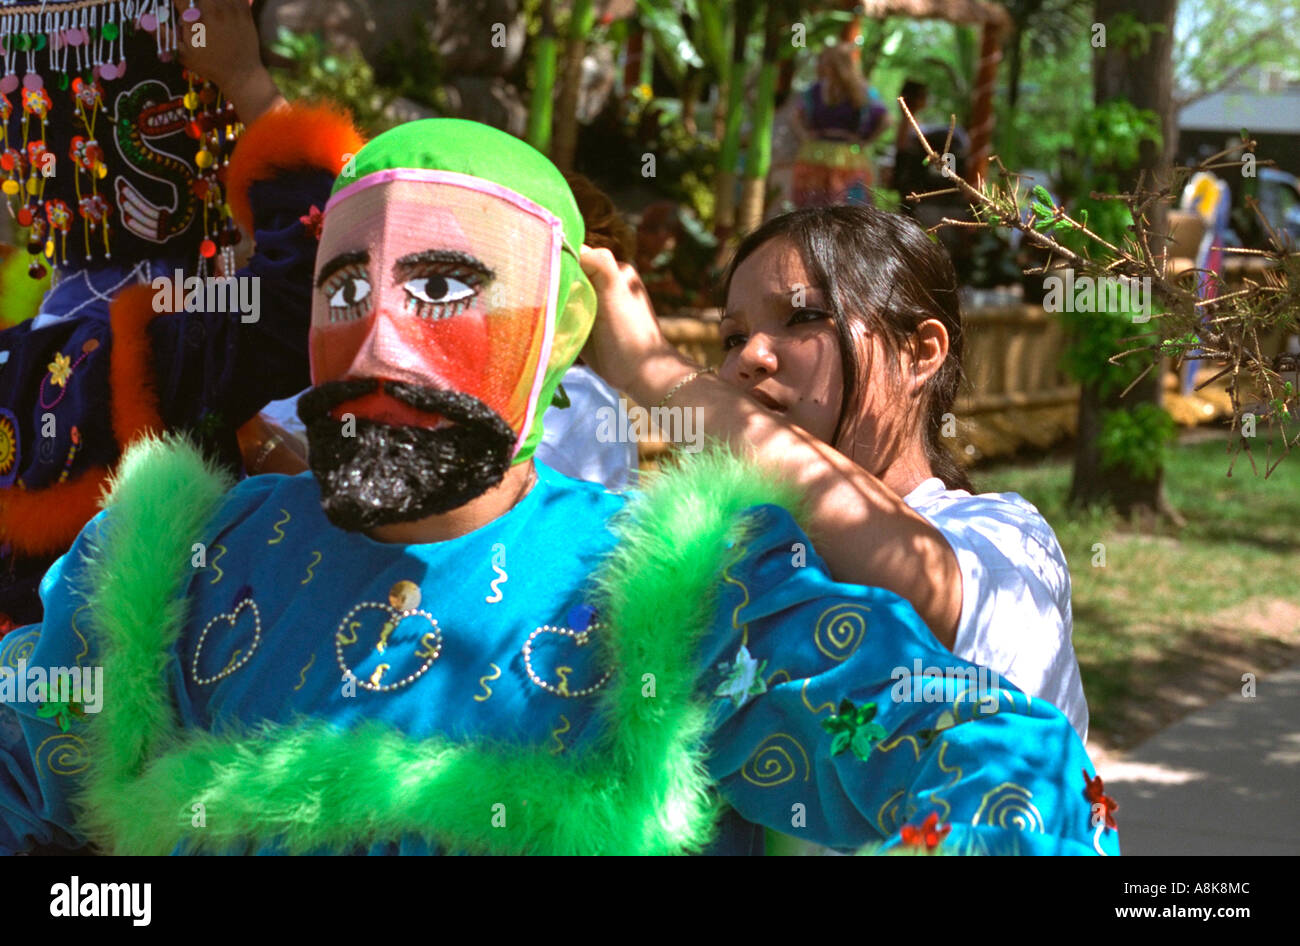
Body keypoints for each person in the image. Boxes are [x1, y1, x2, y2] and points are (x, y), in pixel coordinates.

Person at [0, 120, 1115, 855]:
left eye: (443, 285)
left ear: (554, 339)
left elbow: (1002, 777)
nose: (377, 336)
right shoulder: (171, 567)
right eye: (345, 284)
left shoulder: (682, 595)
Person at [581, 204, 1090, 742]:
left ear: (919, 352)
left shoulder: (1010, 543)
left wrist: (655, 371)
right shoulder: (726, 561)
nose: (749, 357)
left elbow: (922, 591)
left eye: (801, 318)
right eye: (733, 337)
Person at [0, 0, 362, 631]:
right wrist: (248, 82)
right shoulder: (161, 352)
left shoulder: (18, 359)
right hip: (165, 714)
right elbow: (323, 272)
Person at [791, 44, 888, 208]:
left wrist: (865, 141)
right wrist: (805, 135)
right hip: (818, 155)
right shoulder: (815, 90)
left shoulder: (862, 91)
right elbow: (795, 116)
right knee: (815, 208)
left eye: (827, 62)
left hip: (845, 157)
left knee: (846, 207)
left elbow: (885, 120)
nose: (822, 66)